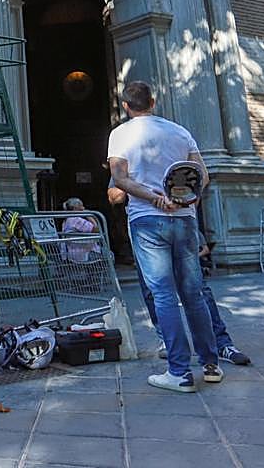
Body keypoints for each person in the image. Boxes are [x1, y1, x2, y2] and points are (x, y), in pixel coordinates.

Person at [107, 80, 222, 393]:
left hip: (147, 220)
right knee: (193, 292)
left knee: (164, 294)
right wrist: (189, 200)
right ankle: (211, 364)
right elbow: (203, 175)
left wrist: (153, 197)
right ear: (153, 102)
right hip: (184, 220)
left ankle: (179, 371)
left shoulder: (120, 134)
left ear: (126, 106)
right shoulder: (179, 131)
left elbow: (119, 178)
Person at [134, 229, 252, 367]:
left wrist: (177, 206)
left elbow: (195, 206)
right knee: (153, 291)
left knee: (198, 290)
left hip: (179, 222)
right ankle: (169, 343)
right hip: (143, 227)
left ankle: (221, 345)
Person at [60, 197, 102, 264]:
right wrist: (90, 216)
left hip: (72, 254)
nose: (84, 208)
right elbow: (97, 230)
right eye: (81, 206)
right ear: (75, 208)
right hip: (85, 254)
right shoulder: (77, 220)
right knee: (109, 253)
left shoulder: (66, 220)